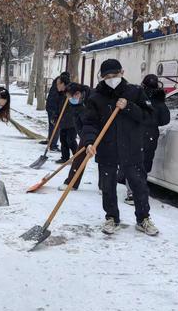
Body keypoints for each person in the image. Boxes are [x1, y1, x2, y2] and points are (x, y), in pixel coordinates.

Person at [83, 59, 158, 236]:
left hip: (131, 148)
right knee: (108, 186)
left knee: (138, 185)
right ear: (101, 77)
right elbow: (89, 123)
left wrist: (129, 107)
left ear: (122, 72)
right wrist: (89, 142)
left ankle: (143, 219)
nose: (111, 79)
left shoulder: (135, 92)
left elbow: (149, 117)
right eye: (106, 76)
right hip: (107, 149)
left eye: (114, 75)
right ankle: (111, 217)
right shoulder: (96, 97)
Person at [121, 74, 171, 205]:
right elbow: (165, 120)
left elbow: (127, 113)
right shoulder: (158, 102)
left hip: (135, 134)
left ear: (143, 84)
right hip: (150, 136)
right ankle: (139, 191)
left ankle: (132, 192)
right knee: (144, 165)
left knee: (132, 163)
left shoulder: (136, 96)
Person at [58, 82, 91, 190]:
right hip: (86, 132)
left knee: (105, 160)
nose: (69, 99)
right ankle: (71, 183)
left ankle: (105, 187)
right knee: (79, 156)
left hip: (101, 130)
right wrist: (84, 137)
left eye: (70, 97)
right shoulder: (74, 103)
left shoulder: (93, 98)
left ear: (77, 94)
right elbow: (77, 121)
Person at [42, 71, 70, 151]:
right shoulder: (59, 86)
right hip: (54, 108)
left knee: (52, 126)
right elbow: (58, 99)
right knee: (56, 126)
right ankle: (53, 145)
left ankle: (50, 142)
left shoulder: (56, 82)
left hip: (51, 107)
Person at [56, 84, 78, 164]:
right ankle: (65, 157)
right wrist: (56, 116)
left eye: (59, 84)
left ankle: (77, 157)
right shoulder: (61, 95)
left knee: (70, 140)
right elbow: (59, 108)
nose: (57, 86)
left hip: (72, 123)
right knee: (63, 140)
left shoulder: (73, 95)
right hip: (63, 122)